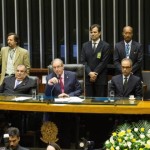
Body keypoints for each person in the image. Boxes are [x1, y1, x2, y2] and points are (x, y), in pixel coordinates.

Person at [81, 24, 111, 97]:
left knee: (100, 103)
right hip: (88, 78)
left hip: (100, 78)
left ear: (99, 33)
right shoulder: (85, 45)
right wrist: (90, 73)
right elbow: (83, 61)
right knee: (89, 102)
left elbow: (104, 62)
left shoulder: (105, 46)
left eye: (95, 32)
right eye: (91, 32)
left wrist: (95, 73)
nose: (92, 34)